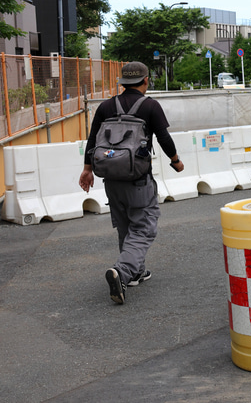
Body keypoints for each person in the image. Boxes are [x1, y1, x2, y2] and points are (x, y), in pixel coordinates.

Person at [79, 62, 184, 305]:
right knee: (144, 226)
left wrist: (87, 169)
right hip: (137, 179)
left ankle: (137, 271)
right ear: (146, 80)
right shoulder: (150, 106)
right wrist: (175, 161)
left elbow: (93, 140)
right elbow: (164, 138)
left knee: (126, 225)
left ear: (122, 82)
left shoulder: (106, 106)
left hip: (111, 179)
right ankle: (123, 272)